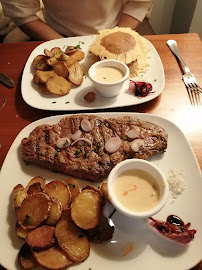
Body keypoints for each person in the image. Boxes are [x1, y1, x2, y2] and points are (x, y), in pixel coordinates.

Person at [0, 0, 152, 41]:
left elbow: (139, 2)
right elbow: (22, 11)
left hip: (119, 27)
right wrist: (62, 44)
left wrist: (116, 36)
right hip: (55, 33)